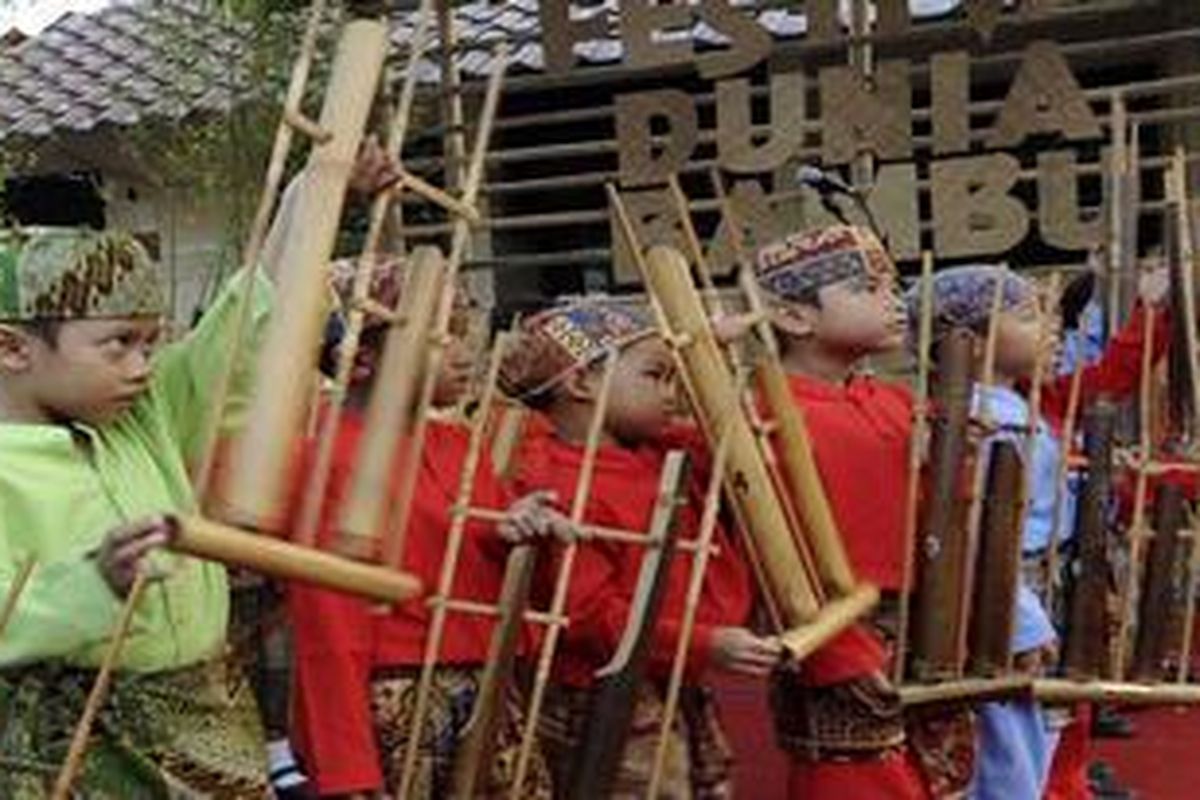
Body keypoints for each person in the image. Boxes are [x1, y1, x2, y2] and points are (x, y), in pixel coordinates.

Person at [0, 146, 396, 797]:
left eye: (151, 343)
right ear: (14, 347)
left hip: (210, 717)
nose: (142, 366)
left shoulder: (144, 413)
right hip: (78, 751)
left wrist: (313, 192)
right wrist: (94, 582)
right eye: (118, 344)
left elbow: (244, 324)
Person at [286, 255, 567, 799]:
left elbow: (488, 566)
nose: (466, 354)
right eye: (444, 338)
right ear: (362, 360)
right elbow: (327, 622)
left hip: (487, 685)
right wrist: (348, 770)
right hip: (394, 700)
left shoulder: (460, 442)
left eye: (465, 332)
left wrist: (518, 533)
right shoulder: (328, 459)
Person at [500, 296, 777, 798]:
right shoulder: (553, 479)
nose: (671, 395)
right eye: (656, 376)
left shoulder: (660, 451)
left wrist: (705, 350)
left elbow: (731, 444)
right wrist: (704, 642)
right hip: (605, 693)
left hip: (677, 678)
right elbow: (587, 614)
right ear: (581, 382)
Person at [910, 263, 1167, 800]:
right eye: (1029, 315)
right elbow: (977, 533)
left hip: (1037, 591)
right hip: (1003, 605)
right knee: (1008, 745)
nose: (1051, 327)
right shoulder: (976, 422)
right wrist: (1023, 621)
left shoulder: (1015, 405)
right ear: (969, 342)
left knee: (1040, 736)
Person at [751, 224, 957, 799]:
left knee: (925, 775)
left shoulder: (898, 403)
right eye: (869, 287)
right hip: (830, 625)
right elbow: (774, 555)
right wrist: (832, 648)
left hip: (920, 618)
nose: (895, 300)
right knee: (851, 774)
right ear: (795, 317)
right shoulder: (764, 415)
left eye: (894, 285)